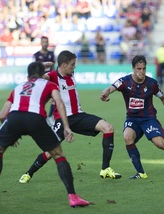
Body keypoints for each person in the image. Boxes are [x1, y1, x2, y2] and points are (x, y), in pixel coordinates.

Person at [0, 61, 90, 208]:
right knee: (58, 155)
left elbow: (2, 115)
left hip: (14, 119)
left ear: (28, 76)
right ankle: (73, 197)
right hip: (35, 119)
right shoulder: (49, 84)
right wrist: (66, 126)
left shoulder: (18, 87)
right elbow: (59, 102)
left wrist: (12, 133)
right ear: (43, 74)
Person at [19, 50, 121, 184]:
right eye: (72, 64)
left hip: (79, 116)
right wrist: (42, 65)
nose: (75, 67)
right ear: (64, 64)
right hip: (62, 119)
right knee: (50, 152)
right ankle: (28, 173)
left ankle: (105, 169)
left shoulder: (71, 73)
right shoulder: (52, 76)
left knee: (108, 128)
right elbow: (34, 78)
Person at [100, 55, 164, 179]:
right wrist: (105, 93)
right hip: (132, 119)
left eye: (144, 68)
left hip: (148, 119)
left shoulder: (152, 83)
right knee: (127, 137)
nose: (141, 72)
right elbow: (111, 88)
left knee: (161, 144)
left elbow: (163, 97)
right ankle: (141, 173)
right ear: (133, 68)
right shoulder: (125, 81)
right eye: (138, 69)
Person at [33, 36, 56, 126]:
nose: (45, 44)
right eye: (43, 42)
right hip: (40, 80)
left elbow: (53, 68)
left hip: (50, 80)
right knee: (40, 100)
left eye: (46, 42)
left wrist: (55, 78)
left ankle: (50, 116)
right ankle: (40, 117)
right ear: (41, 43)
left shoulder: (51, 54)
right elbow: (34, 69)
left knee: (54, 98)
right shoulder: (36, 55)